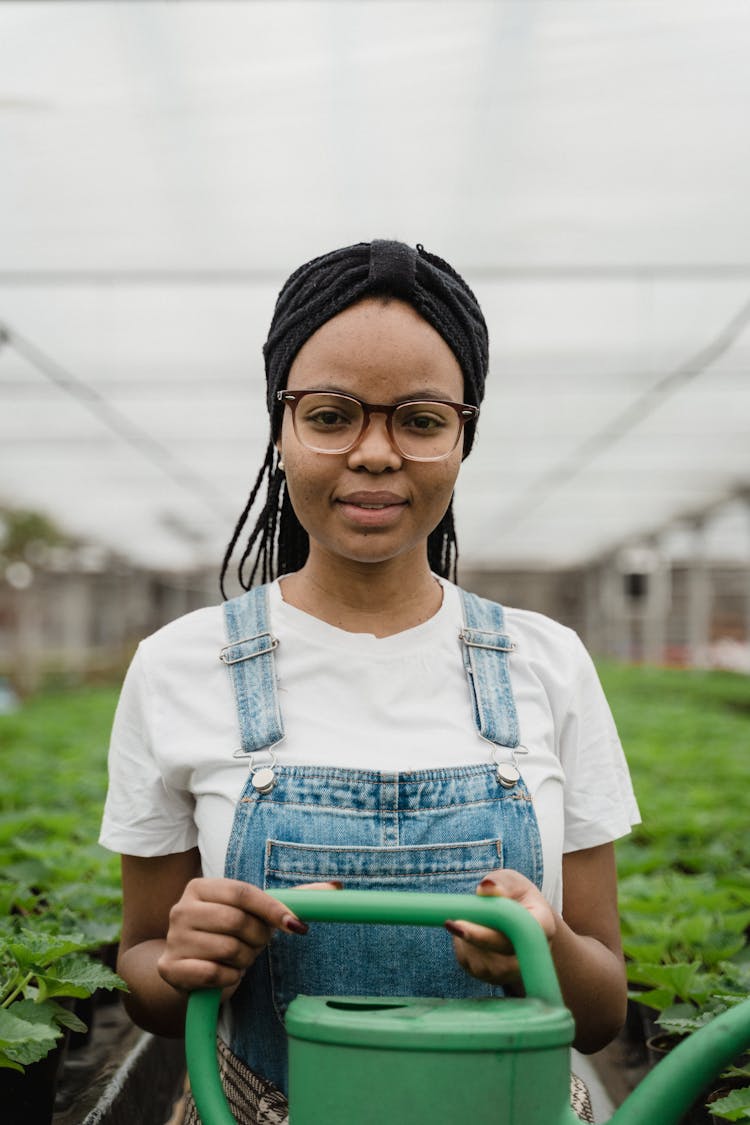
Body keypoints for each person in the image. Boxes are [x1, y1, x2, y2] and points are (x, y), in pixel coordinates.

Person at [99, 240, 640, 1124]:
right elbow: (148, 983)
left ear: (463, 437)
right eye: (332, 415)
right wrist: (182, 958)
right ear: (281, 427)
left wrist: (542, 950)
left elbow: (605, 1008)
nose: (376, 453)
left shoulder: (549, 663)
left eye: (421, 420)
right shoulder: (177, 666)